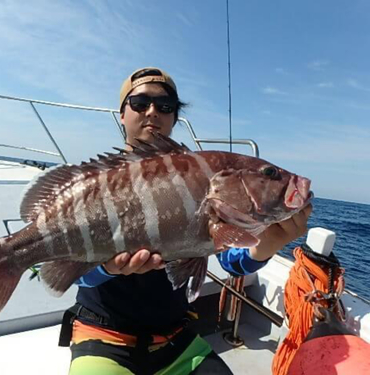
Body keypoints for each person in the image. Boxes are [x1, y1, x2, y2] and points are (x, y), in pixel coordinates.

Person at [59, 67, 312, 375]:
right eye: (140, 103)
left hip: (176, 342)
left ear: (174, 117)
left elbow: (231, 262)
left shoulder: (201, 180)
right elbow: (68, 274)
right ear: (122, 114)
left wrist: (269, 244)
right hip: (103, 337)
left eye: (165, 106)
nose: (153, 112)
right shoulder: (95, 187)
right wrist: (105, 267)